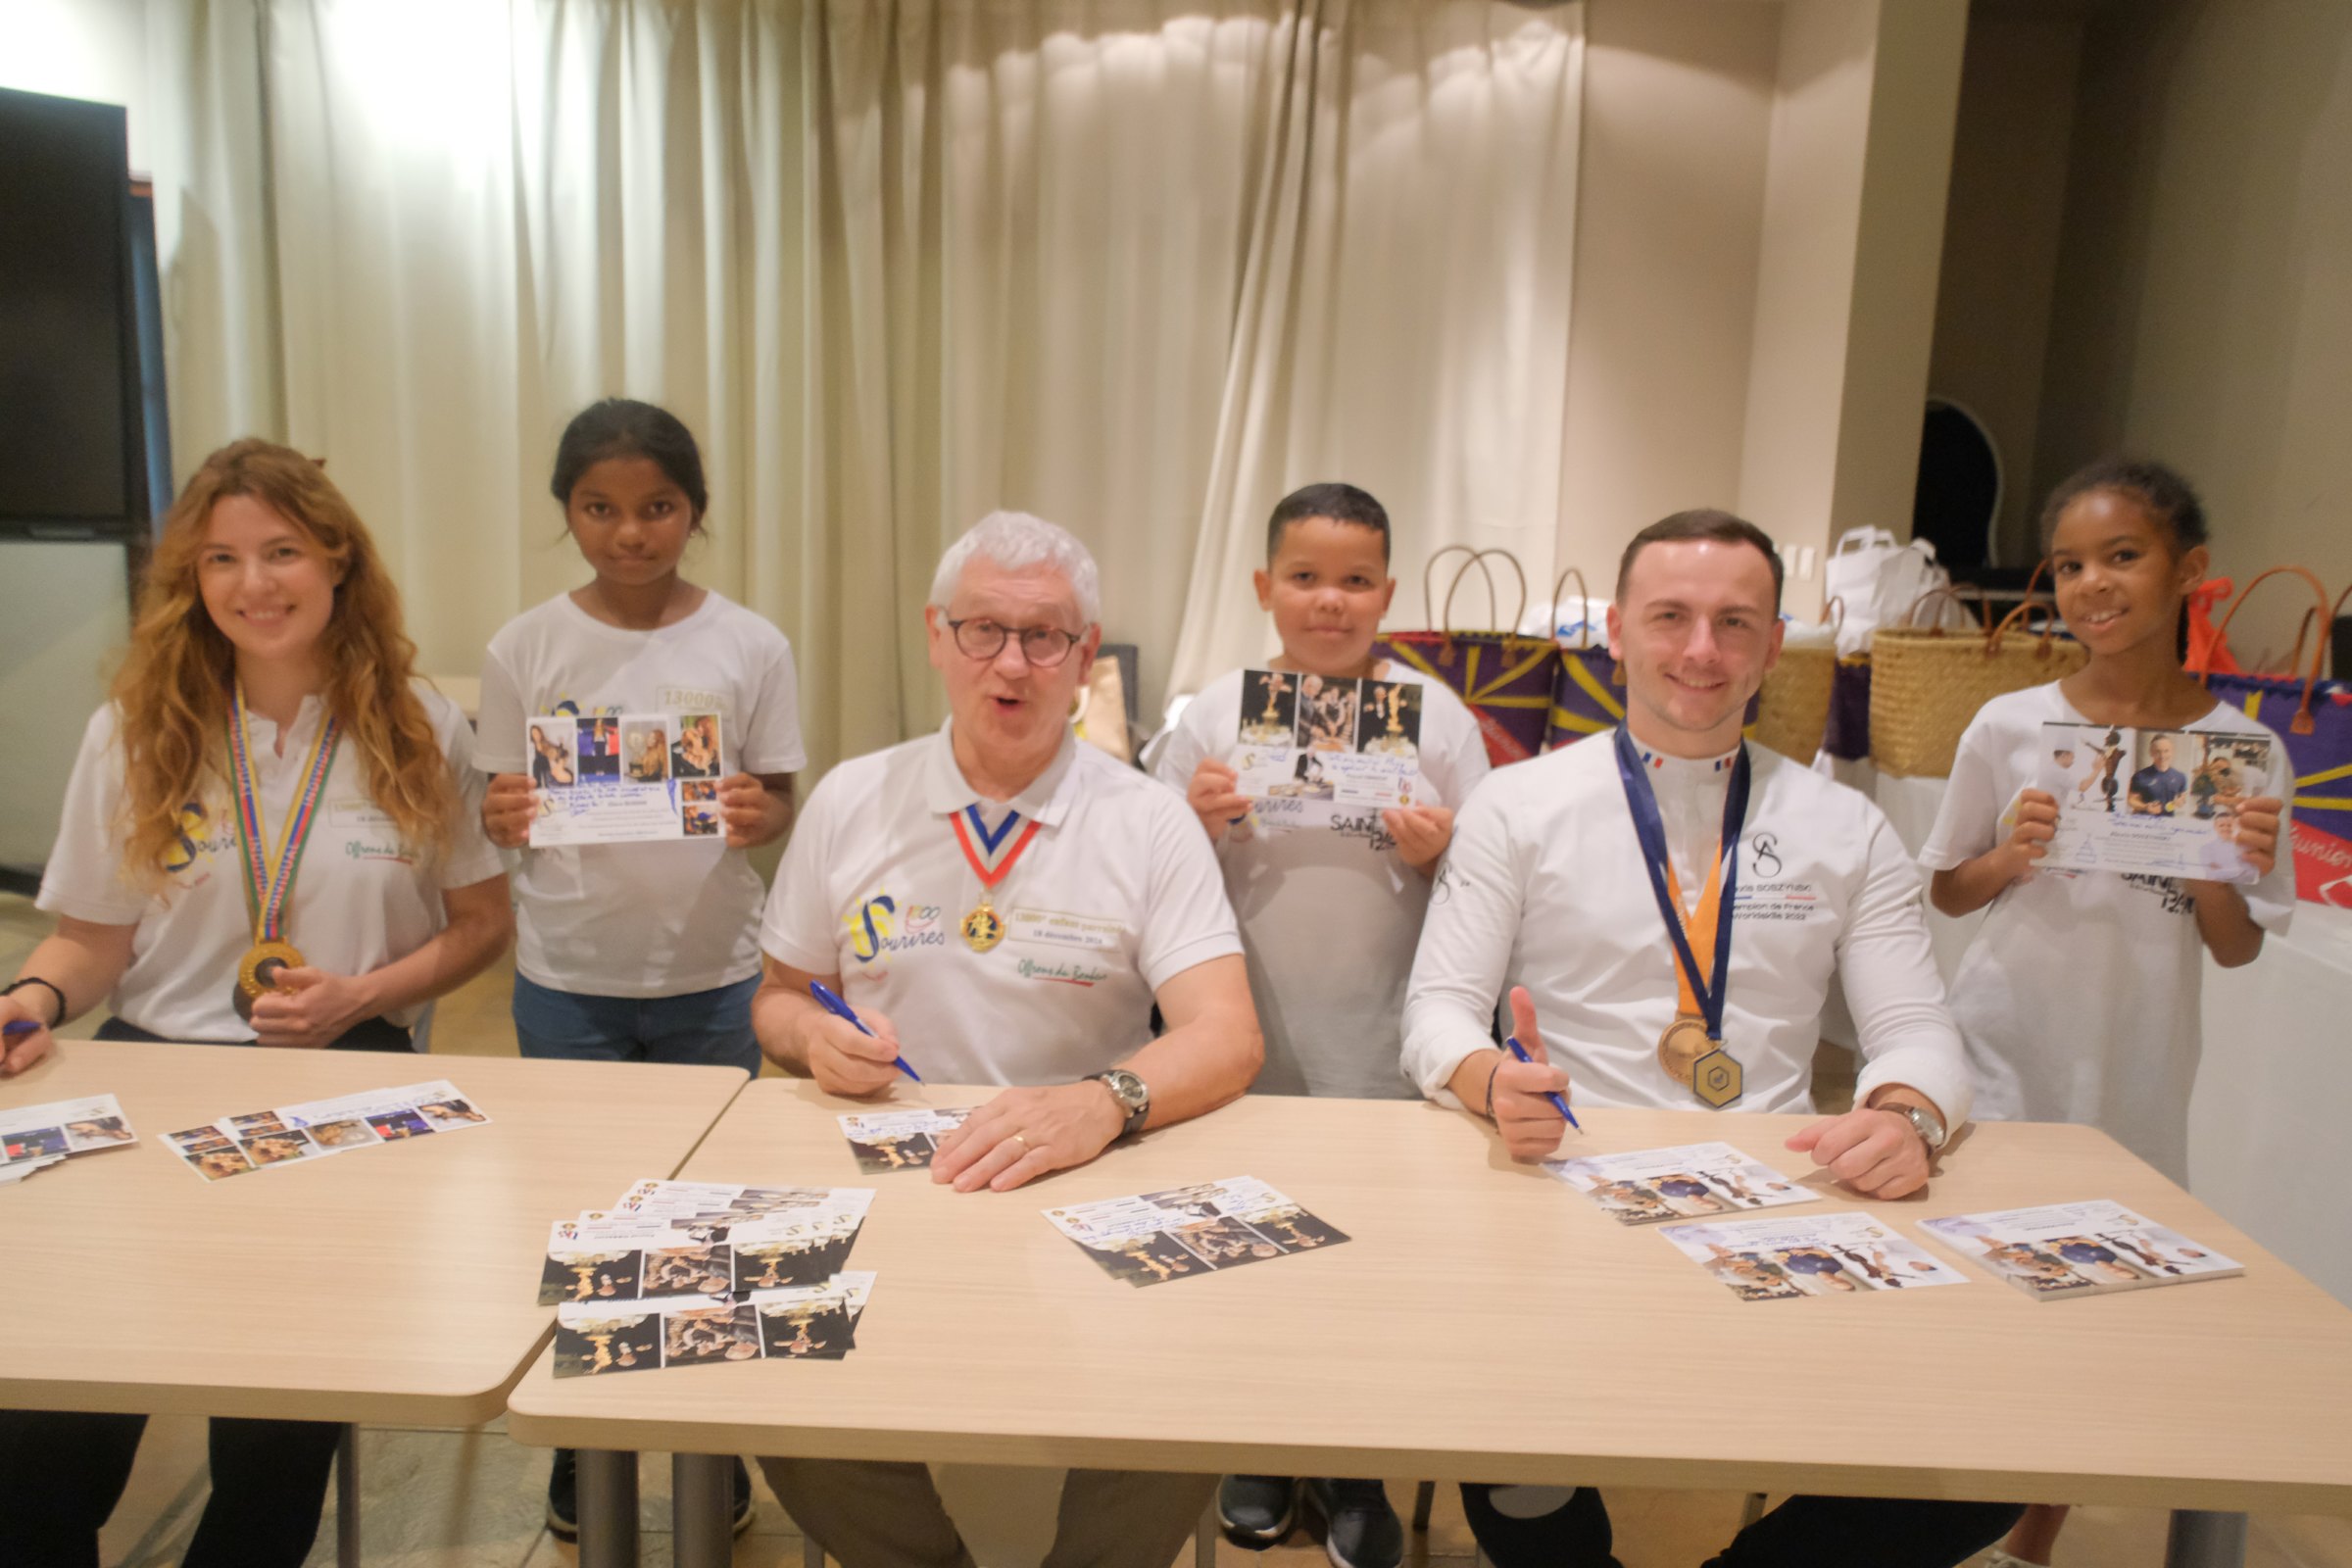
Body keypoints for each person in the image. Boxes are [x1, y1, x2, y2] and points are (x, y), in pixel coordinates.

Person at [1401, 509, 2019, 1568]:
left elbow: (1916, 1027)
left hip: (1778, 1200)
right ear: (1615, 631)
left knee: (1985, 1469)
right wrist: (1487, 1076)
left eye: (1734, 623)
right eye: (1670, 617)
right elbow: (1436, 1012)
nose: (1701, 650)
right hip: (1565, 1189)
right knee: (1510, 1457)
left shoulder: (1845, 825)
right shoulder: (1517, 805)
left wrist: (1907, 1116)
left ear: (1774, 644)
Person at [0, 439, 511, 1568]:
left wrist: (362, 993)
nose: (255, 583)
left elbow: (481, 923)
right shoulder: (135, 729)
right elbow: (93, 939)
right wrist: (29, 994)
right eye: (222, 559)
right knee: (48, 1426)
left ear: (336, 559)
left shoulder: (420, 725)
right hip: (156, 1071)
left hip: (343, 1083)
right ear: (192, 579)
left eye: (281, 551)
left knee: (275, 1433)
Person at [751, 510, 1262, 1568]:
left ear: (1085, 654)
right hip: (893, 1178)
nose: (1013, 663)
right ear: (936, 636)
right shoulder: (853, 798)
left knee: (1198, 1382)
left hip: (1091, 1176)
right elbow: (780, 996)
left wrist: (1102, 1101)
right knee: (775, 1380)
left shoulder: (1148, 819)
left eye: (1044, 636)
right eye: (984, 630)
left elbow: (1227, 1033)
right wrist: (814, 1038)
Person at [1919, 460, 2291, 1568]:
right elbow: (1948, 889)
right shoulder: (2009, 725)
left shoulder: (2245, 752)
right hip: (2002, 1045)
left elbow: (2234, 945)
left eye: (2123, 556)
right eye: (2070, 565)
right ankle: (1938, 1500)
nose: (2093, 584)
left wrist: (2221, 863)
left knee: (2095, 1307)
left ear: (2190, 571)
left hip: (2136, 1069)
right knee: (1975, 1280)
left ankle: (2030, 1537)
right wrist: (2012, 854)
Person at [476, 399, 807, 1541]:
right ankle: (589, 1441)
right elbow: (499, 803)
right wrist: (503, 813)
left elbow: (778, 796)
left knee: (708, 1217)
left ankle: (709, 1439)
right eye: (600, 507)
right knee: (586, 1217)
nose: (629, 532)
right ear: (567, 512)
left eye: (657, 506)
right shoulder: (524, 646)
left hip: (716, 975)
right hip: (568, 976)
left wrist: (759, 810)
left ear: (695, 511)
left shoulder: (751, 644)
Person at [1144, 481, 1487, 1568]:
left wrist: (1443, 853)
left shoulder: (1437, 719)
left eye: (1354, 580)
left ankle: (1355, 1463)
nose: (1329, 601)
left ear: (1388, 592)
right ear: (1264, 586)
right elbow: (1144, 868)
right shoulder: (1211, 715)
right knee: (1239, 1238)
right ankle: (1254, 1443)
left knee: (1367, 1258)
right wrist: (1193, 822)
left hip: (1381, 1040)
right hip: (1243, 1038)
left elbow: (1492, 883)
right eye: (1305, 577)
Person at [2127, 732, 2188, 814]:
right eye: (2158, 752)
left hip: (2168, 820)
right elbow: (2131, 800)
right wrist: (2145, 807)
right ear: (2151, 753)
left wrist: (2180, 801)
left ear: (2172, 752)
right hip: (2143, 820)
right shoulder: (2139, 776)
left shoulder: (2180, 777)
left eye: (2166, 751)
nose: (2162, 756)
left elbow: (2183, 797)